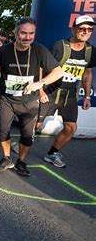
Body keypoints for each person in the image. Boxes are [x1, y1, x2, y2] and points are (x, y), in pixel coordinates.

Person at [0, 17, 63, 176]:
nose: (27, 37)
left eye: (31, 33)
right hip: (7, 99)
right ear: (16, 32)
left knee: (27, 135)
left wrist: (39, 84)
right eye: (23, 33)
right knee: (3, 131)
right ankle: (6, 158)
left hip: (29, 101)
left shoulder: (39, 50)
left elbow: (58, 72)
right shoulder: (5, 50)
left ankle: (21, 160)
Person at [37, 15, 95, 168]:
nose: (86, 32)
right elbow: (42, 67)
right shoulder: (60, 46)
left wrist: (87, 96)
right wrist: (41, 91)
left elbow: (87, 74)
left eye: (90, 29)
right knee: (35, 124)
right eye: (82, 28)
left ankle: (52, 153)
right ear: (74, 29)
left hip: (69, 94)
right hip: (51, 90)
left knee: (71, 127)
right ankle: (22, 142)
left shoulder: (90, 51)